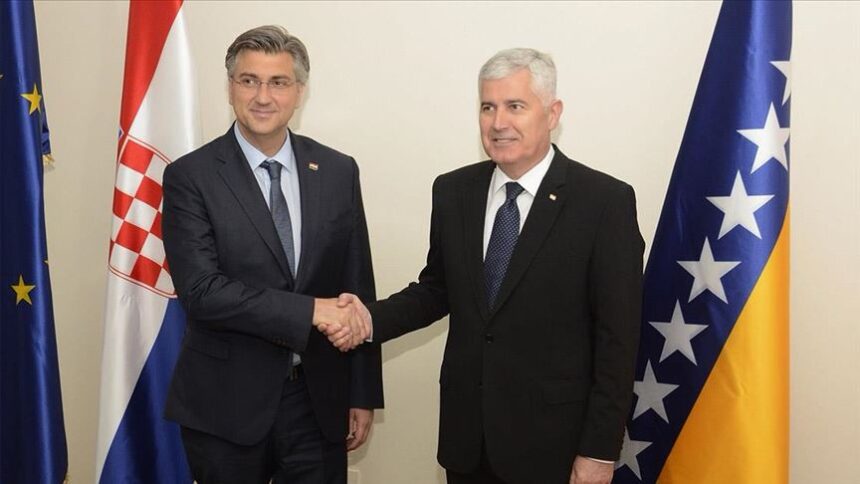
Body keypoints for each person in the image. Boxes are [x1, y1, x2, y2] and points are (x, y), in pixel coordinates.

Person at [329, 48, 644, 484]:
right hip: (468, 442)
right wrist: (366, 319)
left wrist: (599, 451)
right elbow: (437, 289)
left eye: (515, 106)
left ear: (552, 113)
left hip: (555, 448)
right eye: (487, 107)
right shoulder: (454, 191)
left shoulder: (603, 202)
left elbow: (618, 340)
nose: (498, 123)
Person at [161, 25, 381, 484]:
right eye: (249, 80)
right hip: (224, 407)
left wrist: (362, 392)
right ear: (230, 87)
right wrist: (311, 311)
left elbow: (356, 285)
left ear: (299, 91)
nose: (263, 96)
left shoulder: (337, 170)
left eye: (278, 82)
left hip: (317, 403)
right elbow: (202, 292)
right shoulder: (191, 176)